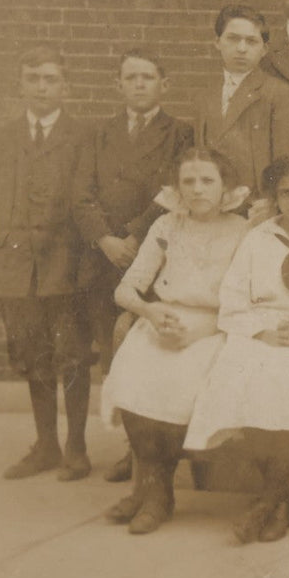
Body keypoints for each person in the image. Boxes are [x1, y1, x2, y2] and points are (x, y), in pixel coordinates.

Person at [183, 155, 289, 544]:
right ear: (274, 198)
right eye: (285, 193)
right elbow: (233, 299)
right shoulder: (257, 239)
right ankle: (280, 501)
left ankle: (269, 503)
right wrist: (263, 332)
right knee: (244, 375)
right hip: (261, 330)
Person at [99, 147, 249, 535]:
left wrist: (204, 328)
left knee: (176, 383)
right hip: (163, 318)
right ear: (178, 188)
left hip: (215, 327)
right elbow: (126, 288)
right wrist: (150, 313)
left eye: (207, 181)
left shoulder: (241, 231)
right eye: (189, 182)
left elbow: (243, 298)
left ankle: (157, 493)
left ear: (225, 186)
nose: (197, 189)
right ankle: (152, 488)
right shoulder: (167, 226)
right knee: (134, 372)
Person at [71, 48, 194, 481]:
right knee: (113, 352)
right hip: (104, 261)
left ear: (164, 84)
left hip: (152, 255)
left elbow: (173, 191)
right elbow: (80, 193)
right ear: (118, 85)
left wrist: (133, 237)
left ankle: (150, 451)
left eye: (148, 76)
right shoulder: (97, 134)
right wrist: (105, 239)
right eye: (131, 77)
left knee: (150, 352)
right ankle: (130, 446)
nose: (139, 84)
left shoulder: (181, 133)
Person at [0, 45, 92, 482]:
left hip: (63, 265)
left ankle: (76, 445)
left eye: (50, 79)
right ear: (21, 84)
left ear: (65, 87)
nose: (42, 87)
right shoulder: (1, 138)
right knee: (32, 356)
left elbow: (87, 200)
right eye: (34, 78)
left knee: (71, 356)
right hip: (13, 268)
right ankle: (45, 444)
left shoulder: (83, 136)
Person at [193, 4, 289, 195]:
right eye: (233, 39)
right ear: (217, 42)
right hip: (211, 201)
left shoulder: (279, 94)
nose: (242, 48)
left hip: (257, 204)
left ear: (264, 49)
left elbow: (288, 163)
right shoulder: (205, 96)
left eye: (251, 41)